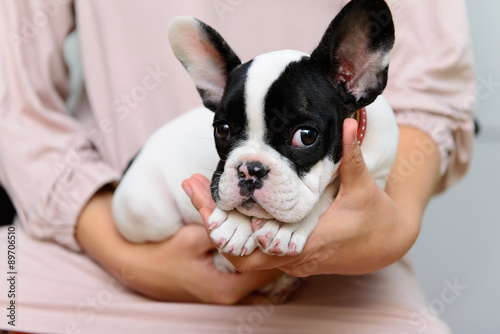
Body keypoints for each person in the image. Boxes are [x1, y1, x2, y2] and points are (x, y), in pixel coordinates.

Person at [0, 0, 475, 333]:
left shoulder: (364, 109)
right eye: (227, 133)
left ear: (358, 78)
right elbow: (14, 107)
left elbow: (432, 101)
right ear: (213, 91)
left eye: (303, 136)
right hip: (87, 246)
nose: (251, 170)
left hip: (340, 282)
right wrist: (128, 259)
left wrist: (393, 229)